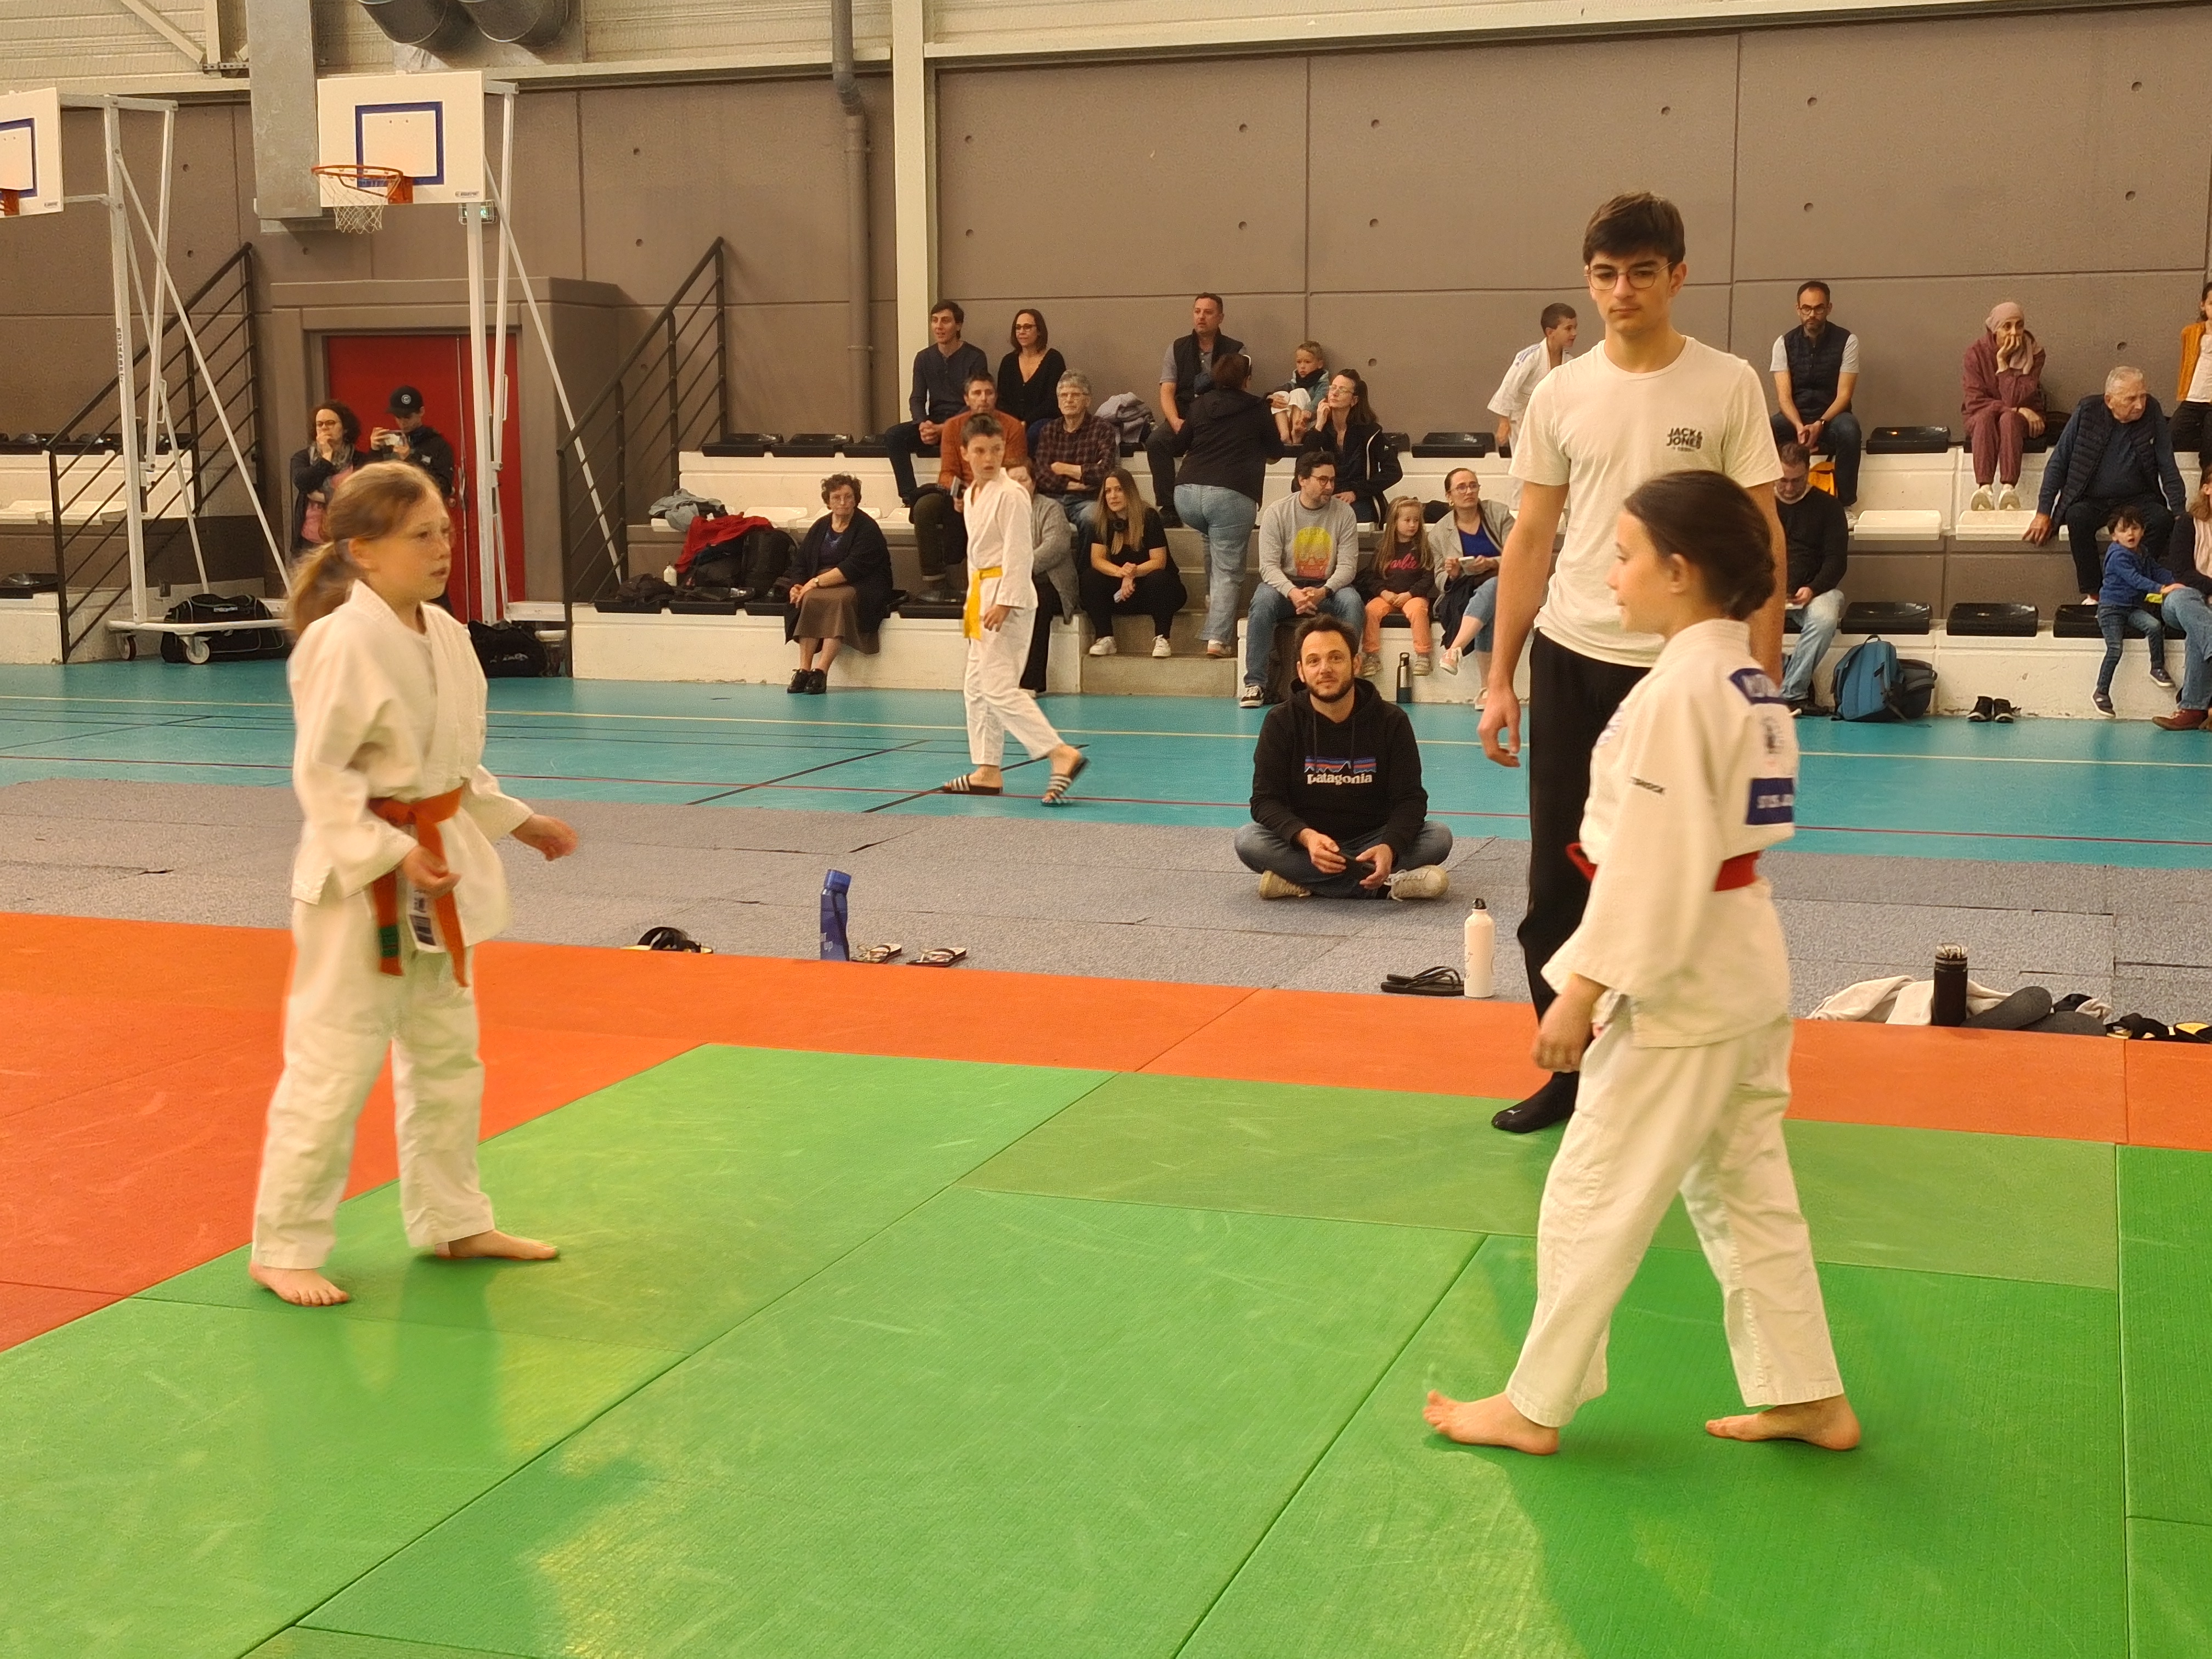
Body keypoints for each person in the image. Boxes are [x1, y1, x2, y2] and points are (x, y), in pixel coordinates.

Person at [1424, 470, 1855, 1459]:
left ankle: (1536, 1403)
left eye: (1624, 557)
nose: (1610, 575)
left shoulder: (1680, 692)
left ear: (1679, 570)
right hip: (1741, 958)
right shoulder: (1749, 680)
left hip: (1680, 978)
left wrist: (1579, 989)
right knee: (1747, 1192)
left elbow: (1655, 859)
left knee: (1591, 1186)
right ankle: (1807, 1392)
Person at [1481, 191, 1786, 1137]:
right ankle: (1571, 1073)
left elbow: (1762, 535)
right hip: (1575, 654)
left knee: (1682, 876)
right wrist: (1499, 678)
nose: (1623, 292)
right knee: (1558, 883)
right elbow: (1531, 537)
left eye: (1642, 273)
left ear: (1677, 276)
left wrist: (1763, 677)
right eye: (1606, 275)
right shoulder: (1558, 393)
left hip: (1685, 667)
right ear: (1588, 281)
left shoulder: (1728, 383)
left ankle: (1673, 1070)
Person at [248, 462, 578, 1308]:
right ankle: (283, 1246)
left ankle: (453, 1219)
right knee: (333, 1066)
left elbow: (451, 768)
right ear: (362, 550)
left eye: (445, 532)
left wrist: (518, 819)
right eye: (421, 535)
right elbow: (323, 777)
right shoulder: (341, 641)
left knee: (447, 1060)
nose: (442, 548)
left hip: (436, 874)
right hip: (356, 890)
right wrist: (393, 855)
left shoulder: (447, 634)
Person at [1235, 613, 1453, 901]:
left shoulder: (1392, 721)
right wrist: (1307, 837)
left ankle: (1304, 882)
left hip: (1373, 839)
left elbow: (1410, 799)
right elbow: (1265, 800)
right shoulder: (1281, 722)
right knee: (1249, 840)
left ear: (1356, 663)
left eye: (1336, 658)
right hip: (1309, 846)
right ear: (1301, 671)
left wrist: (1389, 847)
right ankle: (1385, 887)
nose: (1325, 669)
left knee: (1438, 837)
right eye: (1314, 661)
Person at [936, 416, 1088, 804]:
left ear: (1005, 450)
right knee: (976, 686)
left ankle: (1059, 752)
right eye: (980, 451)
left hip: (1007, 595)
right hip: (981, 594)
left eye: (996, 450)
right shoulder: (972, 494)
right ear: (964, 453)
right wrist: (975, 602)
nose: (989, 458)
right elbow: (977, 555)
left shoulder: (1012, 495)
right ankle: (987, 769)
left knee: (998, 686)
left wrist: (1005, 601)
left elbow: (1019, 553)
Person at [2029, 366, 2188, 603]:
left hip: (2138, 498)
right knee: (2077, 517)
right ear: (2109, 400)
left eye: (2143, 396)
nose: (2140, 405)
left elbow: (2167, 464)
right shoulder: (2087, 410)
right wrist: (2044, 511)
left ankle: (2132, 583)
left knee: (2161, 519)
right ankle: (2095, 593)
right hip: (2092, 499)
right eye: (2131, 399)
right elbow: (2058, 462)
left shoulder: (2152, 410)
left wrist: (2180, 513)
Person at [1171, 349, 1284, 663]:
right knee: (1228, 570)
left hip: (1187, 493)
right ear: (1247, 379)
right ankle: (1218, 639)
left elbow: (1178, 445)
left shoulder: (1200, 404)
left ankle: (1213, 602)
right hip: (1231, 494)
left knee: (1213, 542)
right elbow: (1276, 451)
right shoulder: (1258, 409)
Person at [1243, 451, 1365, 708]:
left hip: (1328, 588)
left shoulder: (1345, 513)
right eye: (1323, 480)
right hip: (1286, 587)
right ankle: (1255, 683)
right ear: (1302, 480)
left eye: (1332, 480)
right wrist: (1293, 592)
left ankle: (1349, 680)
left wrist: (1324, 592)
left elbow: (1347, 567)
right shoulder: (1277, 512)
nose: (1330, 487)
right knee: (1262, 600)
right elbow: (1268, 567)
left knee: (1352, 602)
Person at [911, 374, 1029, 604]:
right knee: (925, 507)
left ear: (996, 397)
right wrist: (960, 491)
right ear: (967, 398)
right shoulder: (953, 426)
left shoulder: (1012, 426)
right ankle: (937, 582)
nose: (983, 398)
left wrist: (979, 494)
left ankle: (978, 583)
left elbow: (1015, 470)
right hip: (962, 488)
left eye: (989, 393)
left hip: (1000, 489)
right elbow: (947, 472)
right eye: (977, 393)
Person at [784, 472, 894, 695]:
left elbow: (853, 568)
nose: (843, 502)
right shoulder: (820, 526)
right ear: (828, 501)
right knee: (808, 598)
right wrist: (797, 586)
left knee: (837, 600)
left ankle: (821, 671)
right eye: (836, 497)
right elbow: (802, 562)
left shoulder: (867, 528)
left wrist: (814, 582)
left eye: (848, 497)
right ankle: (804, 670)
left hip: (860, 583)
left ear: (856, 499)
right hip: (820, 582)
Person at [1147, 294, 1243, 525]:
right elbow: (1167, 391)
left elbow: (1238, 392)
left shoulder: (1236, 349)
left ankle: (1224, 507)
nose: (1201, 317)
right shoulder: (1176, 348)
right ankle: (1169, 507)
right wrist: (1175, 421)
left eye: (1208, 312)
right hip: (1184, 418)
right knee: (1156, 442)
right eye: (1197, 311)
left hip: (1220, 420)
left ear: (1220, 318)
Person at [883, 300, 990, 507]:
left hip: (965, 423)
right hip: (934, 421)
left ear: (958, 325)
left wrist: (946, 428)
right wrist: (923, 424)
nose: (939, 326)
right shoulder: (924, 358)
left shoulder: (975, 357)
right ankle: (911, 498)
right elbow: (917, 398)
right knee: (894, 436)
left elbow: (978, 403)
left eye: (945, 321)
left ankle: (960, 498)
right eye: (935, 321)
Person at [1769, 281, 1862, 510]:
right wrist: (1799, 426)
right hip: (1795, 417)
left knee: (1849, 430)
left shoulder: (1848, 341)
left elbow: (1844, 395)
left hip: (1832, 418)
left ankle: (1844, 505)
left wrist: (1820, 423)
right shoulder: (1783, 343)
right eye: (1807, 308)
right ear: (1798, 309)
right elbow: (1784, 398)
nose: (1812, 314)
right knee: (1768, 429)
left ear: (1829, 308)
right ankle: (1772, 500)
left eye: (1819, 308)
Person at [1773, 442, 1849, 714]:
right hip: (1767, 591)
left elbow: (1836, 561)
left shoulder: (1829, 507)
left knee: (1825, 619)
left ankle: (1791, 692)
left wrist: (1813, 589)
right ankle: (1784, 675)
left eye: (1797, 480)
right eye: (1783, 480)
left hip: (1814, 591)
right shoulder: (1759, 505)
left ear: (1808, 472)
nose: (1789, 488)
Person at [1081, 468, 1187, 658]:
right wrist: (1122, 573)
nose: (1113, 496)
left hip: (1156, 594)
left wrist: (1133, 572)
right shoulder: (1102, 521)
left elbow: (1159, 561)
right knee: (1091, 577)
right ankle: (1105, 637)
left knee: (1158, 578)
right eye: (1108, 491)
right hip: (1122, 595)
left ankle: (1163, 637)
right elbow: (1097, 560)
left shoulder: (1149, 517)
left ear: (1129, 491)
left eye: (1119, 489)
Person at [2091, 506, 2180, 715]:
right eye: (2123, 530)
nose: (2130, 534)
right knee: (2115, 648)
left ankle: (2157, 667)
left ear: (2143, 531)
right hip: (2111, 609)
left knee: (2154, 626)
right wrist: (2160, 588)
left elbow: (2156, 570)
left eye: (2135, 528)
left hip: (2131, 607)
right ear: (2114, 536)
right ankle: (2101, 691)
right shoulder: (2118, 556)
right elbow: (2135, 579)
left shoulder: (2142, 552)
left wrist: (2179, 579)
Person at [1429, 467, 1515, 675]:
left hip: (1509, 585)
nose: (1469, 491)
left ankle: (1454, 649)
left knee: (1492, 585)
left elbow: (1520, 555)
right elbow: (1439, 577)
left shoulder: (1498, 514)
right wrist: (1451, 574)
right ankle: (1487, 686)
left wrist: (1492, 564)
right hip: (1465, 590)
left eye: (1473, 486)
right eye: (1461, 487)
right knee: (1488, 606)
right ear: (1449, 496)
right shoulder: (1439, 532)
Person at [1962, 301, 2046, 510]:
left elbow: (2016, 397)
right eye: (2007, 327)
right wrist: (2016, 409)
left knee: (2008, 419)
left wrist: (2003, 365)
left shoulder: (2034, 353)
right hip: (1984, 415)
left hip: (2025, 419)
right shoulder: (1975, 354)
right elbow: (1975, 402)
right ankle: (1984, 488)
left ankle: (2009, 489)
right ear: (1994, 330)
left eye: (2019, 325)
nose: (2015, 332)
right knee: (1985, 418)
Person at [2153, 462, 2212, 731]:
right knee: (2183, 597)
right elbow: (2183, 572)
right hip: (2185, 601)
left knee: (2198, 631)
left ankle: (2192, 709)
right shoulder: (2188, 523)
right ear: (2206, 488)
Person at [1301, 370, 1402, 523]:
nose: (1334, 393)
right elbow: (1302, 468)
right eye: (1333, 388)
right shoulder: (1319, 432)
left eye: (1342, 390)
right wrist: (1319, 425)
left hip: (1362, 498)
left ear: (1354, 400)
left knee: (1347, 515)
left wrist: (1356, 492)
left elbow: (1393, 471)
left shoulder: (1370, 432)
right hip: (1327, 497)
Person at [1030, 370, 1118, 544]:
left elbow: (1105, 472)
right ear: (1058, 401)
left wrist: (1061, 468)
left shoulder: (1103, 429)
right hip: (1053, 499)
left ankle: (1086, 563)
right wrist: (1073, 483)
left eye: (1075, 395)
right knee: (1030, 516)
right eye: (1064, 395)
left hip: (1088, 500)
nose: (1069, 400)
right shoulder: (1049, 430)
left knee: (1092, 519)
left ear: (1088, 400)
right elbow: (1040, 475)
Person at [1360, 495, 1438, 678]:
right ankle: (1371, 656)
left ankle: (1423, 655)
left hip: (1413, 596)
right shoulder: (1383, 549)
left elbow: (1428, 577)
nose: (1413, 525)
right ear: (1394, 523)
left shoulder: (1422, 548)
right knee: (1371, 610)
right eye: (1407, 520)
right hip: (1388, 596)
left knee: (1418, 611)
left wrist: (1410, 594)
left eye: (1416, 520)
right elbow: (1371, 577)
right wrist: (1384, 592)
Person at [1017, 466, 1077, 695]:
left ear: (1033, 483)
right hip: (1016, 582)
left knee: (1036, 602)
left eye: (1023, 480)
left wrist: (1018, 569)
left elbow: (1055, 547)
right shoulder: (1001, 512)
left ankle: (1031, 682)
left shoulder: (1051, 508)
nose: (1018, 486)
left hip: (1052, 584)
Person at [1489, 303, 1579, 450]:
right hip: (1522, 421)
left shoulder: (1570, 362)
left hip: (1550, 423)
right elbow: (1508, 387)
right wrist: (1503, 422)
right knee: (1525, 463)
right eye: (1568, 329)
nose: (1574, 333)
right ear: (1550, 332)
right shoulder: (1530, 357)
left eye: (1575, 328)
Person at [290, 402, 360, 552]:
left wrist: (325, 497)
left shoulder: (359, 460)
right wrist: (326, 458)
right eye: (319, 424)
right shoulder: (303, 457)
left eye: (330, 423)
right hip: (310, 542)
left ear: (345, 428)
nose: (324, 428)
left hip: (348, 539)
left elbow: (360, 497)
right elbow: (303, 483)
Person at [996, 308, 1066, 444]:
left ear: (1039, 331)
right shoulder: (1008, 362)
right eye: (1018, 328)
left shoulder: (1054, 359)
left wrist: (1026, 422)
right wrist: (1015, 423)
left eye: (1027, 327)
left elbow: (1052, 402)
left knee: (1034, 434)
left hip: (1043, 421)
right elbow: (1001, 400)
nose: (1022, 332)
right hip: (1012, 421)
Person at [374, 386, 457, 500]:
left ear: (421, 412)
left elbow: (444, 489)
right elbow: (369, 484)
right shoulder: (389, 443)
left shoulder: (438, 445)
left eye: (408, 417)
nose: (402, 422)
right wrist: (374, 450)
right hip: (391, 508)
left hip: (423, 507)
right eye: (398, 417)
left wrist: (411, 459)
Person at [2171, 281, 2212, 456]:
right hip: (2193, 397)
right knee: (2171, 435)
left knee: (2210, 449)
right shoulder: (2191, 332)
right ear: (2203, 305)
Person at [1269, 340, 1330, 444]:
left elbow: (1320, 399)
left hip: (1308, 421)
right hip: (1290, 421)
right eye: (1299, 362)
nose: (1302, 366)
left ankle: (1297, 431)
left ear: (1320, 364)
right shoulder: (1295, 382)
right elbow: (1278, 391)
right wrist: (1270, 398)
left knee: (1299, 392)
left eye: (1307, 362)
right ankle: (1284, 435)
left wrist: (1308, 410)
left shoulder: (1323, 384)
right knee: (1280, 394)